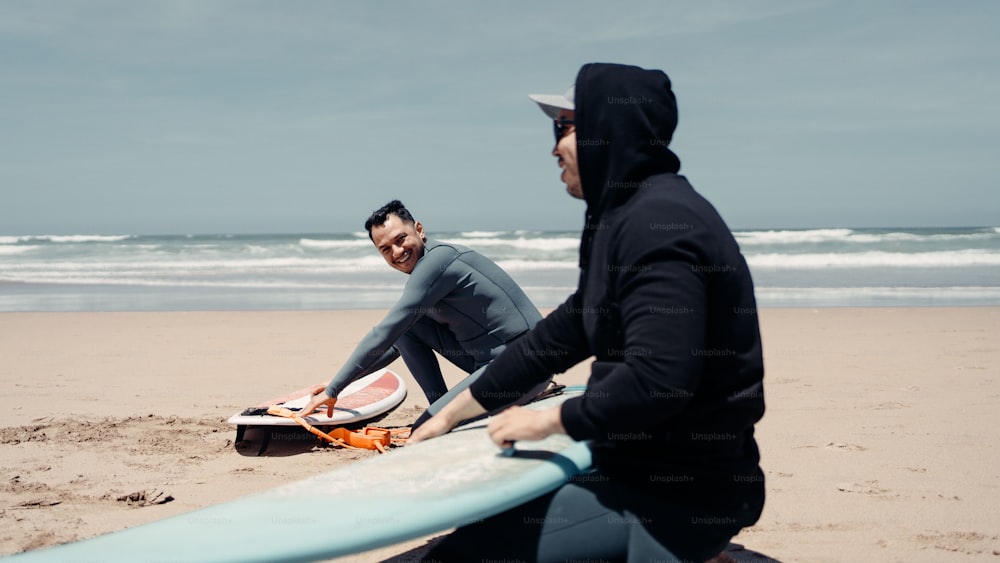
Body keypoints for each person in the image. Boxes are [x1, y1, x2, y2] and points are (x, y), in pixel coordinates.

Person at [409, 63, 766, 562]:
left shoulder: (661, 226)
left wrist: (544, 422)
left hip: (677, 491)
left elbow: (658, 380)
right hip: (635, 463)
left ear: (609, 130)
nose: (554, 147)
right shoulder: (622, 217)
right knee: (493, 513)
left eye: (567, 128)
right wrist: (449, 415)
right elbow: (557, 337)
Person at [297, 200, 544, 422]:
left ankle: (439, 415)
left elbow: (383, 332)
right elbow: (394, 343)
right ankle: (438, 406)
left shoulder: (438, 262)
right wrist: (339, 383)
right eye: (385, 249)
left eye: (400, 239)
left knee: (428, 425)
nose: (396, 252)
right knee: (409, 329)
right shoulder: (427, 272)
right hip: (486, 361)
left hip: (522, 365)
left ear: (419, 229)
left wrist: (334, 391)